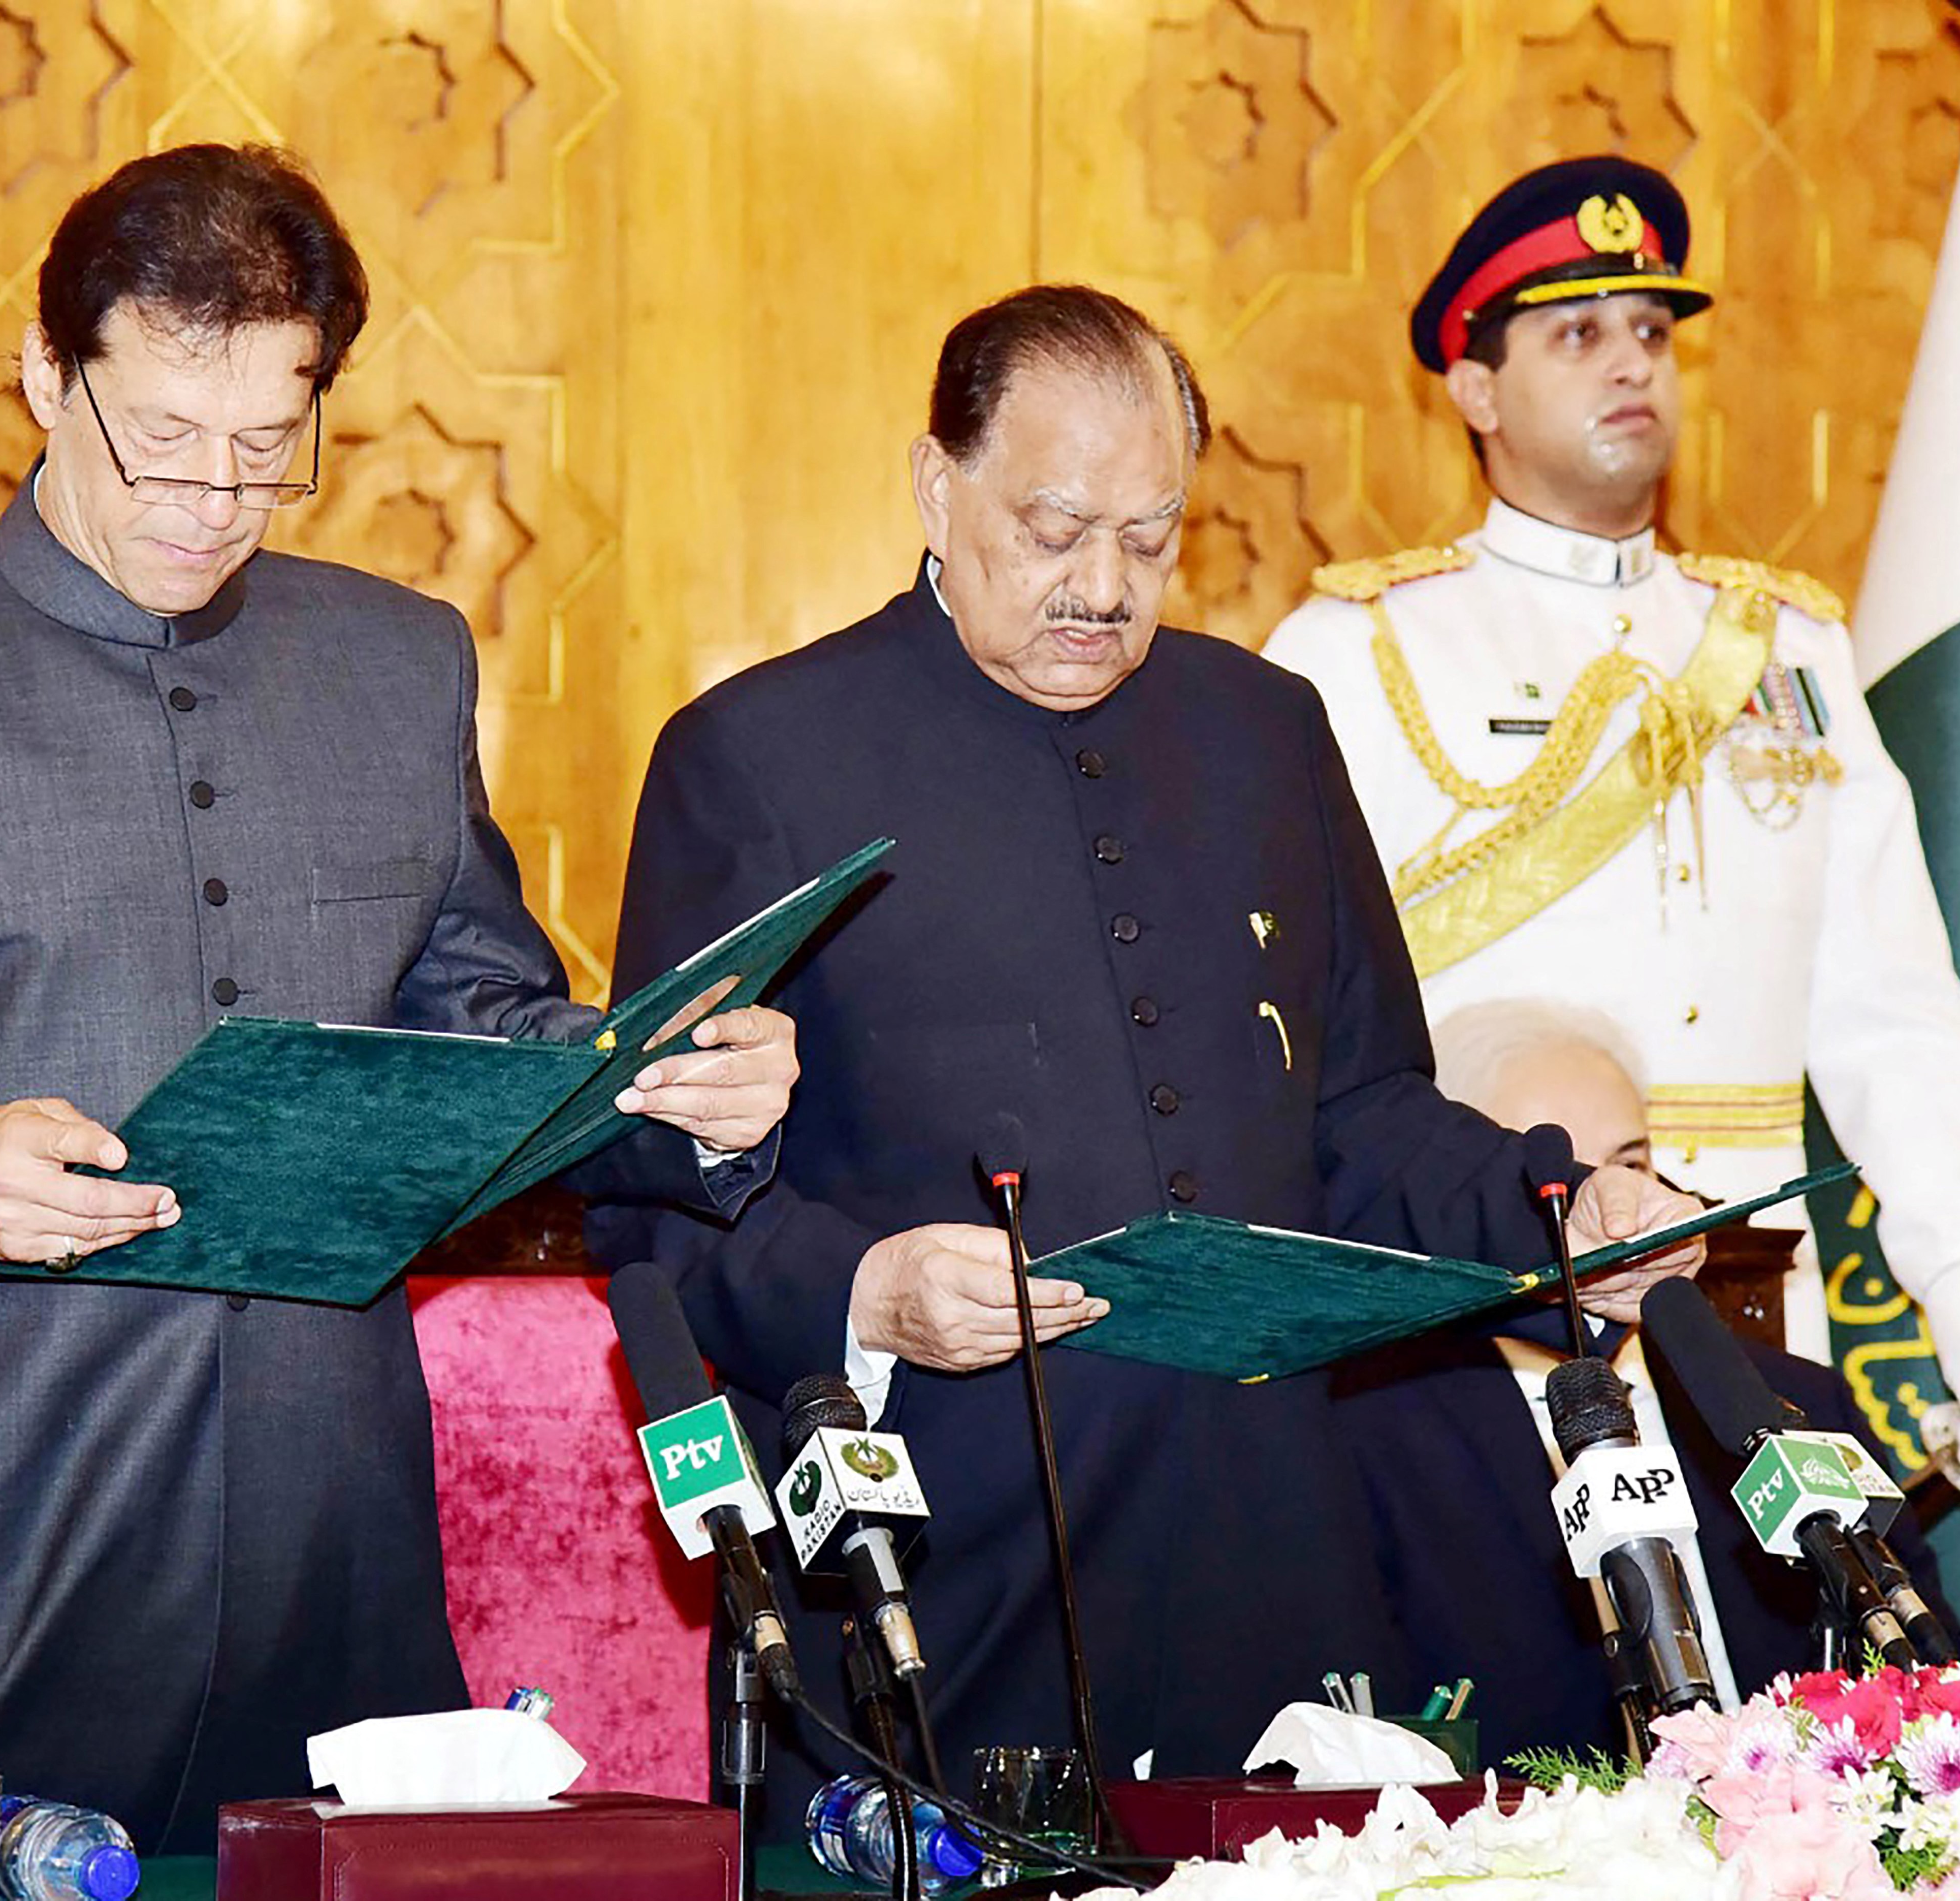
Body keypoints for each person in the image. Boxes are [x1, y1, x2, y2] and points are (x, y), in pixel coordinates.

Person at [0, 144, 798, 1869]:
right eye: (162, 438)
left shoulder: (398, 660)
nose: (213, 498)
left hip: (333, 1572)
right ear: (47, 376)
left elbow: (480, 1020)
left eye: (270, 444)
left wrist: (661, 1077)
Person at [587, 283, 1704, 1839]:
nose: (1102, 588)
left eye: (1150, 536)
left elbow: (1361, 1111)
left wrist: (1556, 1211)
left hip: (1273, 1545)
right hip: (938, 1561)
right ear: (935, 485)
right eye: (1054, 531)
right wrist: (867, 1290)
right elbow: (656, 1210)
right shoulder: (755, 756)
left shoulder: (1265, 730)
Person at [1262, 155, 1960, 1488]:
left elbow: (1893, 1020)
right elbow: (1295, 1033)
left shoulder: (1793, 650)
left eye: (1649, 330)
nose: (1629, 361)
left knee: (1782, 1632)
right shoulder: (1356, 647)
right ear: (1474, 389)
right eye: (1576, 334)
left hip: (1754, 1300)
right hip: (1486, 1300)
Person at [1330, 997, 1960, 1763]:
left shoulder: (1794, 1403)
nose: (1616, 1215)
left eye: (1629, 1165)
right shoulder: (1372, 1441)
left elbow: (1939, 1677)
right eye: (1558, 1186)